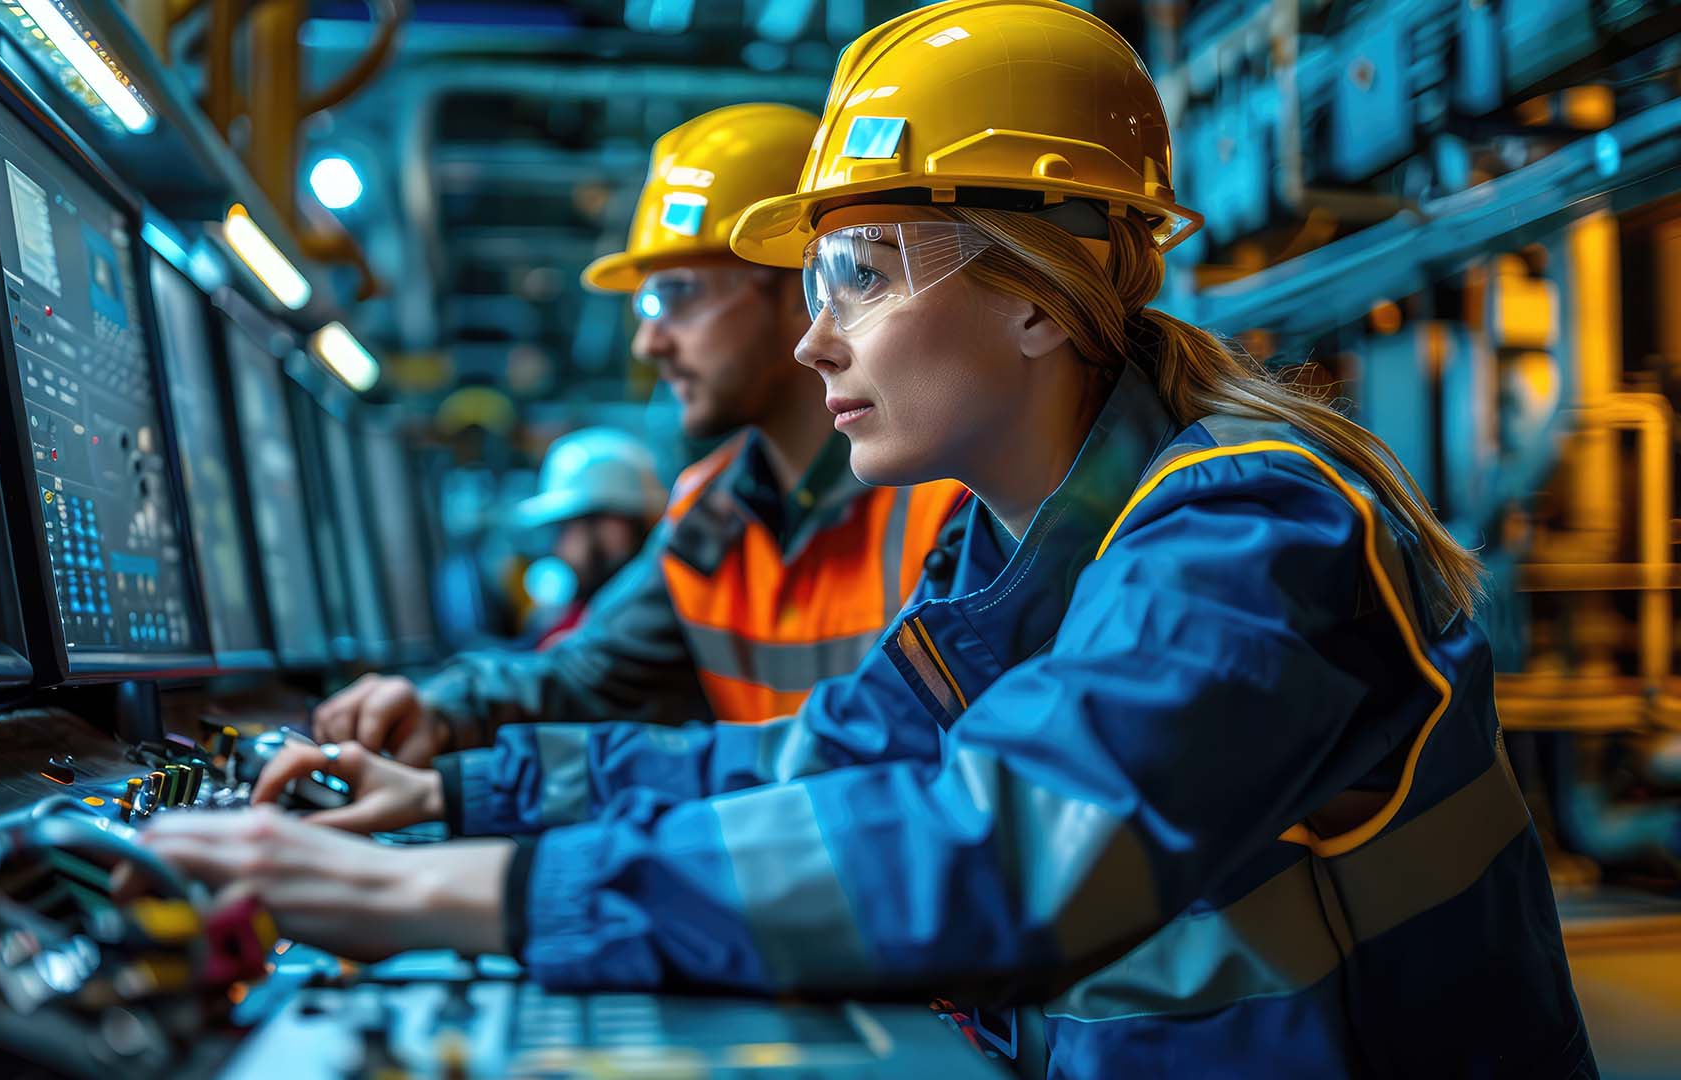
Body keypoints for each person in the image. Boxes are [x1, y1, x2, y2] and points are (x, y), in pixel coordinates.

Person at [148, 3, 1591, 1074]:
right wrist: (464, 804)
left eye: (857, 269)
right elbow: (815, 762)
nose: (818, 329)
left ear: (1040, 293)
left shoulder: (1248, 528)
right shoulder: (997, 555)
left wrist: (468, 897)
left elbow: (1015, 845)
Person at [310, 101, 969, 761]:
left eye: (676, 296)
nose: (650, 341)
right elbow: (585, 675)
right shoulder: (709, 516)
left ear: (802, 286)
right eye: (643, 305)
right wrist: (440, 709)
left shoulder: (945, 497)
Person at [511, 427, 666, 647]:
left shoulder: (649, 626)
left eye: (565, 529)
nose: (559, 548)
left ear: (613, 526)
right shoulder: (585, 619)